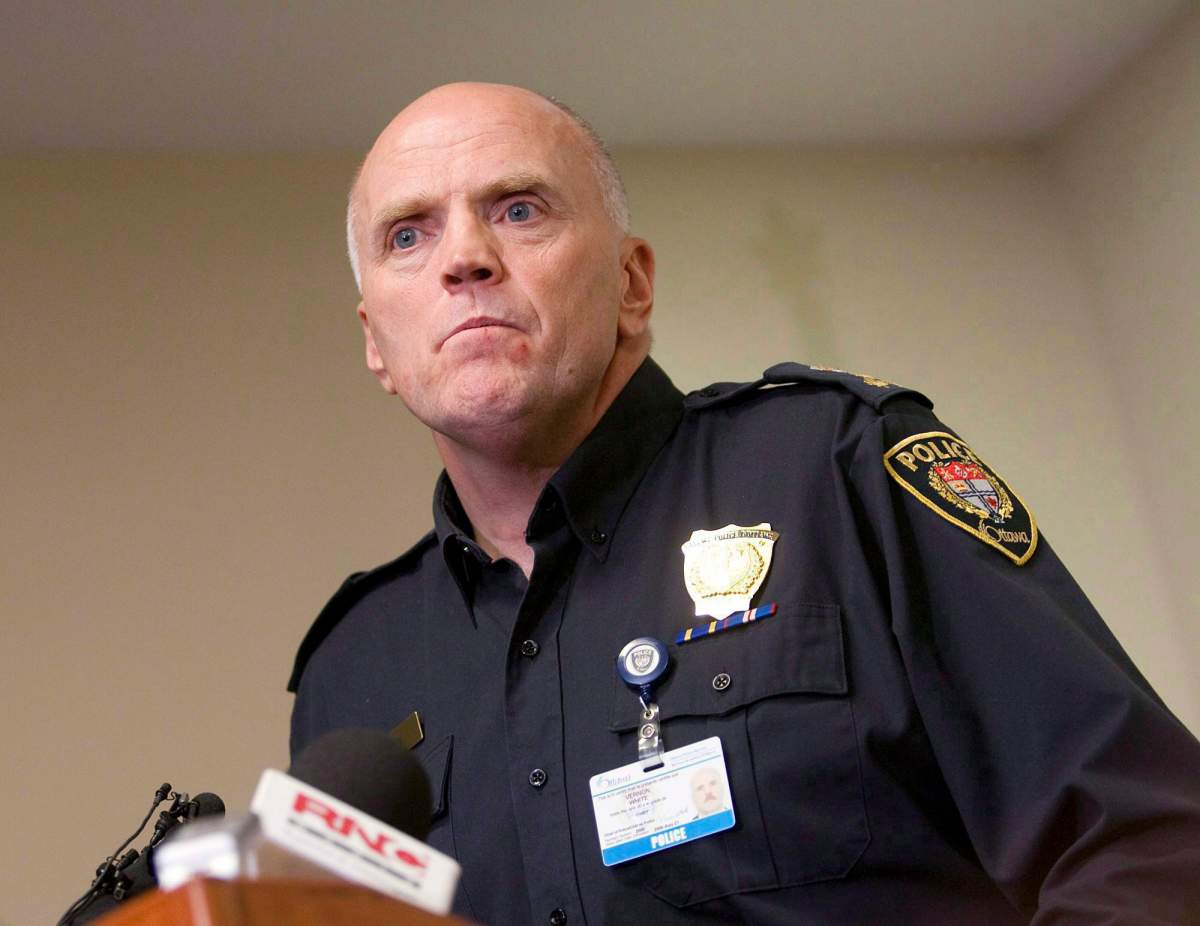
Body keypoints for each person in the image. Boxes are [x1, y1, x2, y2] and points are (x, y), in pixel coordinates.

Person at [289, 82, 1200, 924]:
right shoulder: (351, 667)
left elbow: (1143, 840)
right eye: (407, 236)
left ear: (632, 284)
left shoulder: (839, 468)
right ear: (376, 343)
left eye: (518, 210)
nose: (464, 259)